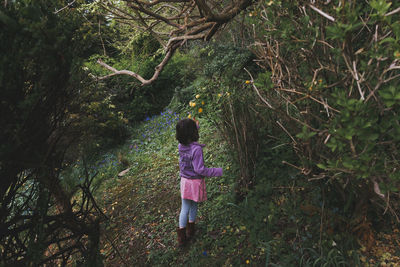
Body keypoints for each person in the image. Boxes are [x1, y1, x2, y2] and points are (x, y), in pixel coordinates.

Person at [175, 118, 223, 247]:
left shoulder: (181, 146)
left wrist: (194, 126)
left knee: (184, 208)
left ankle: (182, 237)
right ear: (193, 133)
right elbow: (200, 169)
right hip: (195, 182)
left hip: (184, 181)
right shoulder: (196, 150)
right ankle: (191, 229)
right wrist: (218, 171)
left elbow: (187, 133)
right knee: (194, 206)